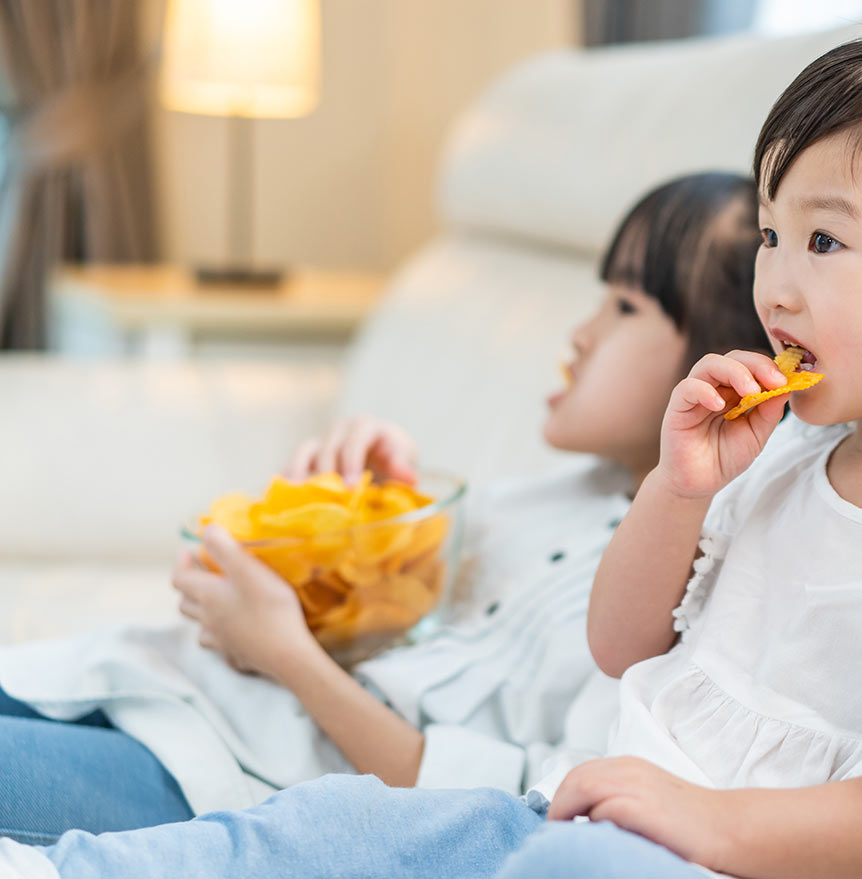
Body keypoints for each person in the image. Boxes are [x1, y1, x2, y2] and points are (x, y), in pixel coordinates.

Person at [7, 20, 862, 879]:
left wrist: (707, 818)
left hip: (699, 858)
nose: (774, 281)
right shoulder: (785, 458)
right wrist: (676, 488)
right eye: (775, 234)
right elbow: (619, 642)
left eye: (825, 240)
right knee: (328, 824)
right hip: (564, 804)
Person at [0, 172, 769, 844]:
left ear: (724, 360)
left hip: (223, 772)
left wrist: (287, 656)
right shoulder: (556, 497)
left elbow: (496, 807)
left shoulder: (679, 599)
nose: (580, 332)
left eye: (626, 306)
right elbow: (385, 629)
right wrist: (367, 516)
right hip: (163, 685)